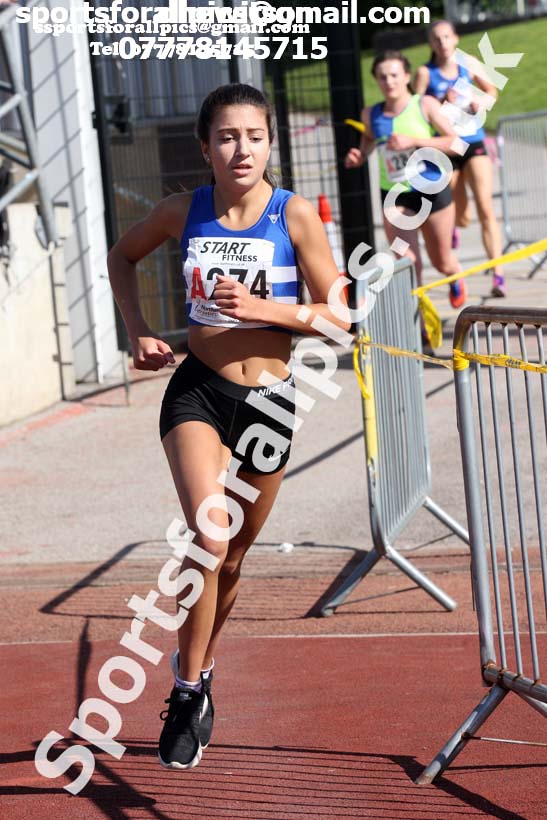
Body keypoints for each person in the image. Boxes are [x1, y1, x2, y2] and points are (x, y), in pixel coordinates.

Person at [107, 83, 349, 770]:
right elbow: (121, 257)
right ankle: (184, 692)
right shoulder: (181, 212)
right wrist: (140, 331)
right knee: (208, 537)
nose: (240, 149)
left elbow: (339, 314)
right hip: (198, 394)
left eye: (253, 136)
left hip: (270, 402)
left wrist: (264, 309)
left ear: (269, 142)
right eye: (225, 137)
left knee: (233, 556)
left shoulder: (292, 215)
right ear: (205, 146)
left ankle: (203, 672)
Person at [345, 50, 466, 310]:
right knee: (408, 262)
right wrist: (360, 156)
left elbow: (457, 143)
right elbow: (368, 140)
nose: (389, 81)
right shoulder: (371, 114)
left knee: (441, 261)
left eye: (394, 75)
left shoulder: (424, 105)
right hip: (395, 195)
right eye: (382, 77)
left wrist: (414, 141)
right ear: (376, 80)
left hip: (432, 189)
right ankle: (419, 325)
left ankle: (455, 275)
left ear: (407, 77)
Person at [414, 19, 506, 297]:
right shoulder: (425, 73)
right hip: (446, 149)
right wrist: (443, 102)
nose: (442, 44)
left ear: (454, 38)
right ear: (431, 44)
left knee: (486, 208)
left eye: (446, 37)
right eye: (436, 39)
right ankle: (453, 226)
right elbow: (414, 112)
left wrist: (480, 103)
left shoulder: (469, 63)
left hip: (473, 142)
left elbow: (492, 91)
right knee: (461, 215)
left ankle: (498, 274)